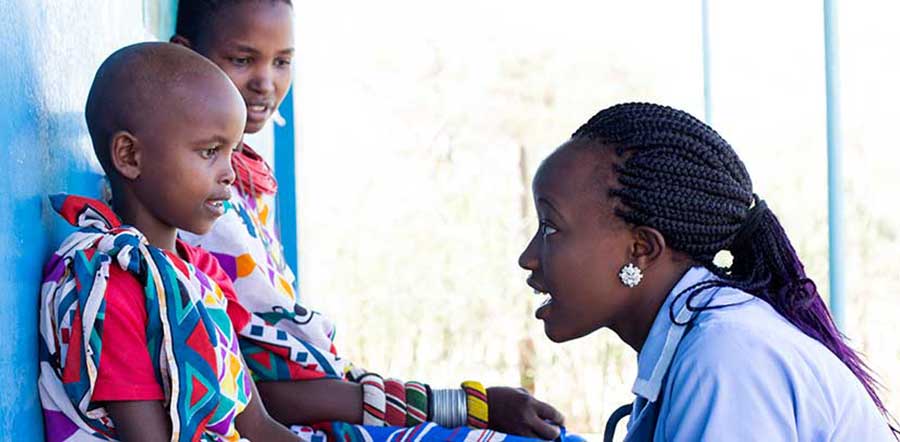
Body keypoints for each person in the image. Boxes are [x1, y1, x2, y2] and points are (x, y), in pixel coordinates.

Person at [170, 1, 572, 440]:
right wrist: (463, 407)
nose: (266, 82)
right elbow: (263, 389)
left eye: (282, 61)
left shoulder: (248, 182)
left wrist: (463, 406)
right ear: (184, 56)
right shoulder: (193, 205)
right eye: (243, 59)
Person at [518, 102, 898, 440]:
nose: (528, 257)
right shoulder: (703, 340)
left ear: (641, 250)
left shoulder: (725, 357)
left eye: (550, 228)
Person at [38, 42, 298, 441]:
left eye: (232, 152)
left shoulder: (200, 275)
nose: (229, 174)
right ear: (129, 156)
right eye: (210, 151)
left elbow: (258, 426)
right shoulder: (114, 286)